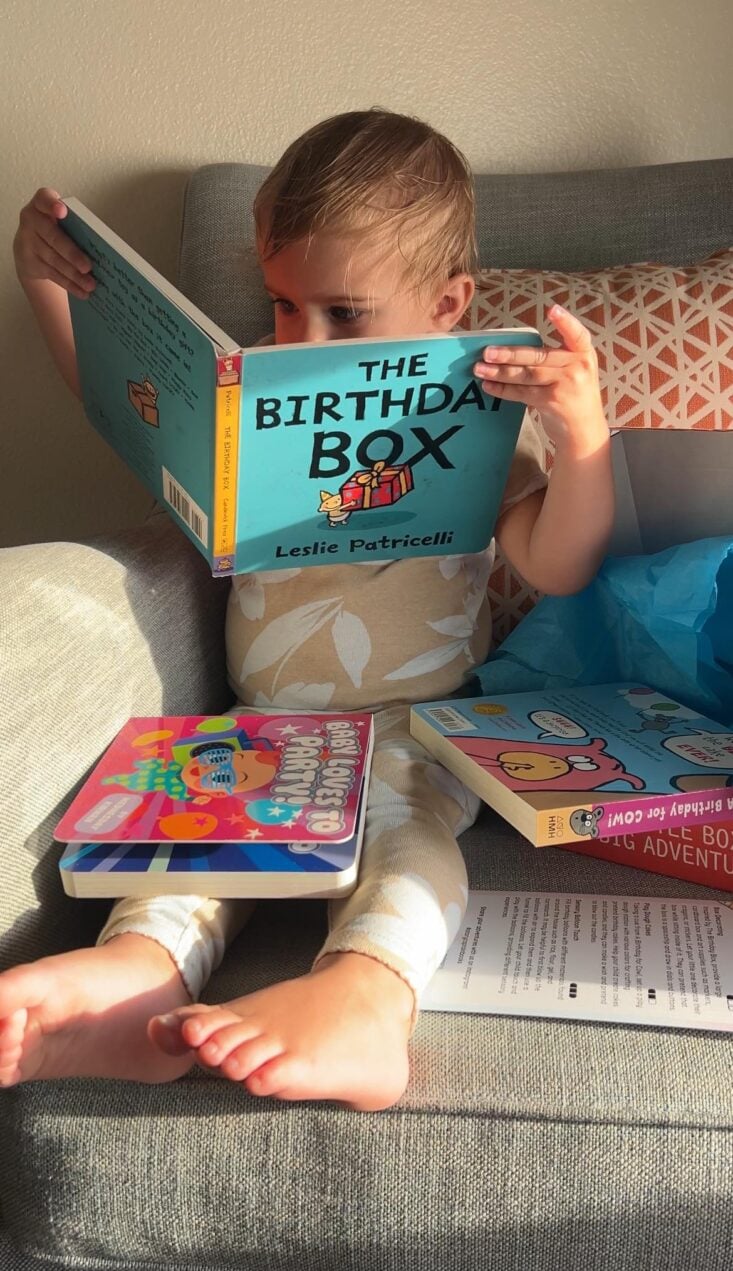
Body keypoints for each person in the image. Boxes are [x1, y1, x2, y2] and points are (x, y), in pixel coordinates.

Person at [1, 109, 613, 1109]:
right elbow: (127, 408)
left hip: (414, 726)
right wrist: (43, 285)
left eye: (343, 312)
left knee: (409, 837)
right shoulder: (254, 398)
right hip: (264, 731)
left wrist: (581, 432)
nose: (302, 338)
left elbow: (560, 562)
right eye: (284, 306)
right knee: (193, 848)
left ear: (448, 300)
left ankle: (366, 996)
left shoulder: (484, 416)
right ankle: (138, 985)